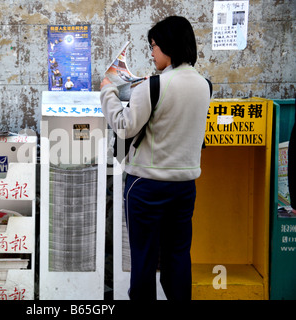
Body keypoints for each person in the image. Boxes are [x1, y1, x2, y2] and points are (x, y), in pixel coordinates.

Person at [100, 16, 212, 300]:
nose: (151, 53)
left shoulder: (152, 86)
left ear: (168, 47)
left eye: (153, 46)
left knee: (144, 259)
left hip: (146, 186)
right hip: (185, 187)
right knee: (177, 257)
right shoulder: (204, 86)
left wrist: (108, 91)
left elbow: (124, 125)